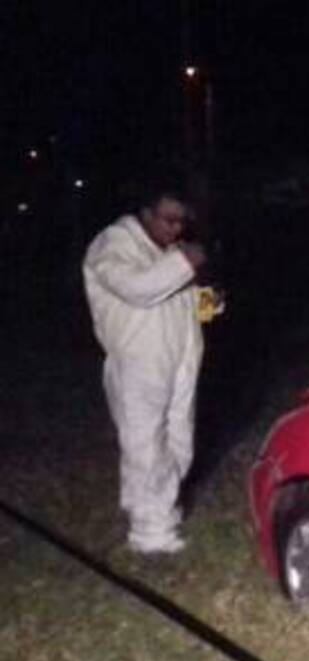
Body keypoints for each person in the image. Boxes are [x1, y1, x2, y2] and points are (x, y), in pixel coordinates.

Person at [82, 180, 208, 553]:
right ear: (146, 213)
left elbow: (174, 300)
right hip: (138, 364)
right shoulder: (113, 244)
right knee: (145, 445)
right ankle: (148, 534)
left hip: (179, 359)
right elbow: (138, 288)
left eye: (181, 221)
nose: (176, 228)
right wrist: (186, 262)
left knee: (179, 442)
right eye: (169, 219)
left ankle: (163, 516)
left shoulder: (167, 249)